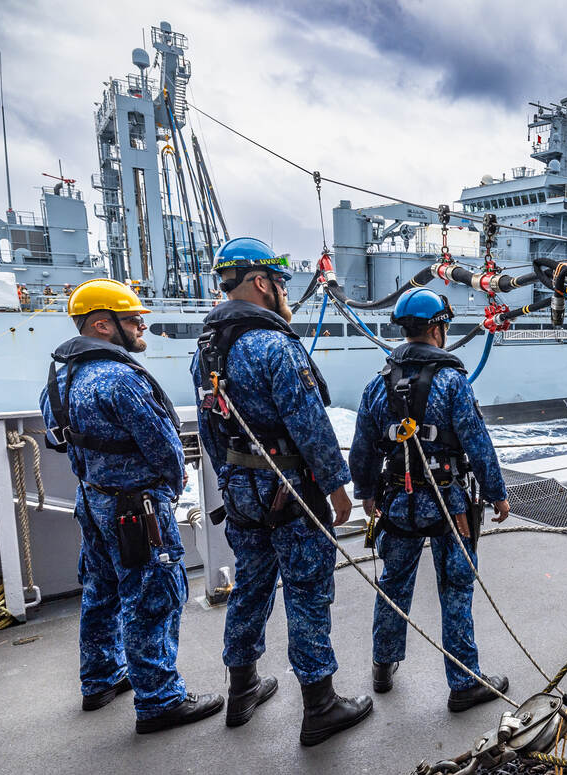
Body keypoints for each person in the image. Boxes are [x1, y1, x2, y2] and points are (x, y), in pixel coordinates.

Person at [192, 236, 371, 745]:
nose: (286, 293)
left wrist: (231, 479)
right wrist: (337, 488)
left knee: (251, 585)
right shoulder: (276, 345)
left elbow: (210, 429)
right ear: (261, 282)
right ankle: (320, 705)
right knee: (307, 589)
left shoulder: (207, 349)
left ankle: (241, 690)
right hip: (290, 490)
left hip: (241, 491)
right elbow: (309, 424)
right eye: (281, 283)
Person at [39, 278, 223, 733]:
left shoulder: (58, 379)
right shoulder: (121, 379)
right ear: (102, 325)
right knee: (152, 597)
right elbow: (163, 444)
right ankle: (160, 700)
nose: (143, 325)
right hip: (136, 510)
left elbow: (59, 439)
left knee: (101, 590)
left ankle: (100, 679)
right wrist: (173, 480)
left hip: (92, 500)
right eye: (133, 319)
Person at [349, 287, 512, 712]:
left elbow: (363, 448)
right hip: (448, 504)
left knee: (393, 583)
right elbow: (478, 444)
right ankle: (464, 682)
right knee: (455, 587)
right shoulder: (453, 382)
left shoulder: (377, 384)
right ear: (438, 329)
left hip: (397, 502)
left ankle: (382, 666)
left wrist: (366, 493)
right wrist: (497, 495)